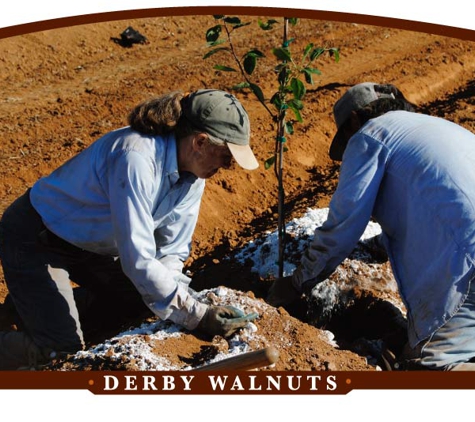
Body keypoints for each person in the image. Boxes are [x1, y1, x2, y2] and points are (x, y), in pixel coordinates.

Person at [0, 88, 259, 370]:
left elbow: (171, 251)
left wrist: (186, 305)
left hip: (93, 246)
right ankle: (39, 322)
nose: (227, 165)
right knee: (61, 355)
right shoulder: (135, 157)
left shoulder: (194, 176)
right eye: (225, 155)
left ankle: (33, 306)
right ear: (200, 141)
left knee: (144, 304)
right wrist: (197, 315)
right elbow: (139, 259)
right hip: (37, 238)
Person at [267, 82, 475, 371]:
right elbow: (438, 204)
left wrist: (297, 282)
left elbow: (343, 226)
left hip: (469, 261)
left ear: (354, 121)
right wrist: (381, 244)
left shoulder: (370, 135)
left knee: (428, 370)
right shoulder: (433, 128)